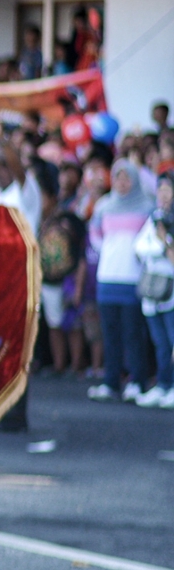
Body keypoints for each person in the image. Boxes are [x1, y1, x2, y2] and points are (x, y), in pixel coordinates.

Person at [87, 159, 157, 401]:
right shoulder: (104, 206)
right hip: (107, 277)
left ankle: (137, 380)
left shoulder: (147, 207)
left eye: (127, 178)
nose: (122, 183)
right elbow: (95, 237)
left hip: (133, 278)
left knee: (133, 334)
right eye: (118, 177)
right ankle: (111, 381)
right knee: (110, 333)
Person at [138, 173, 174, 407]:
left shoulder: (164, 224)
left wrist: (163, 240)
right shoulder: (153, 217)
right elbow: (139, 246)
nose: (163, 194)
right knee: (160, 342)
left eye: (168, 189)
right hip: (152, 291)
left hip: (170, 291)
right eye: (160, 189)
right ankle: (163, 385)